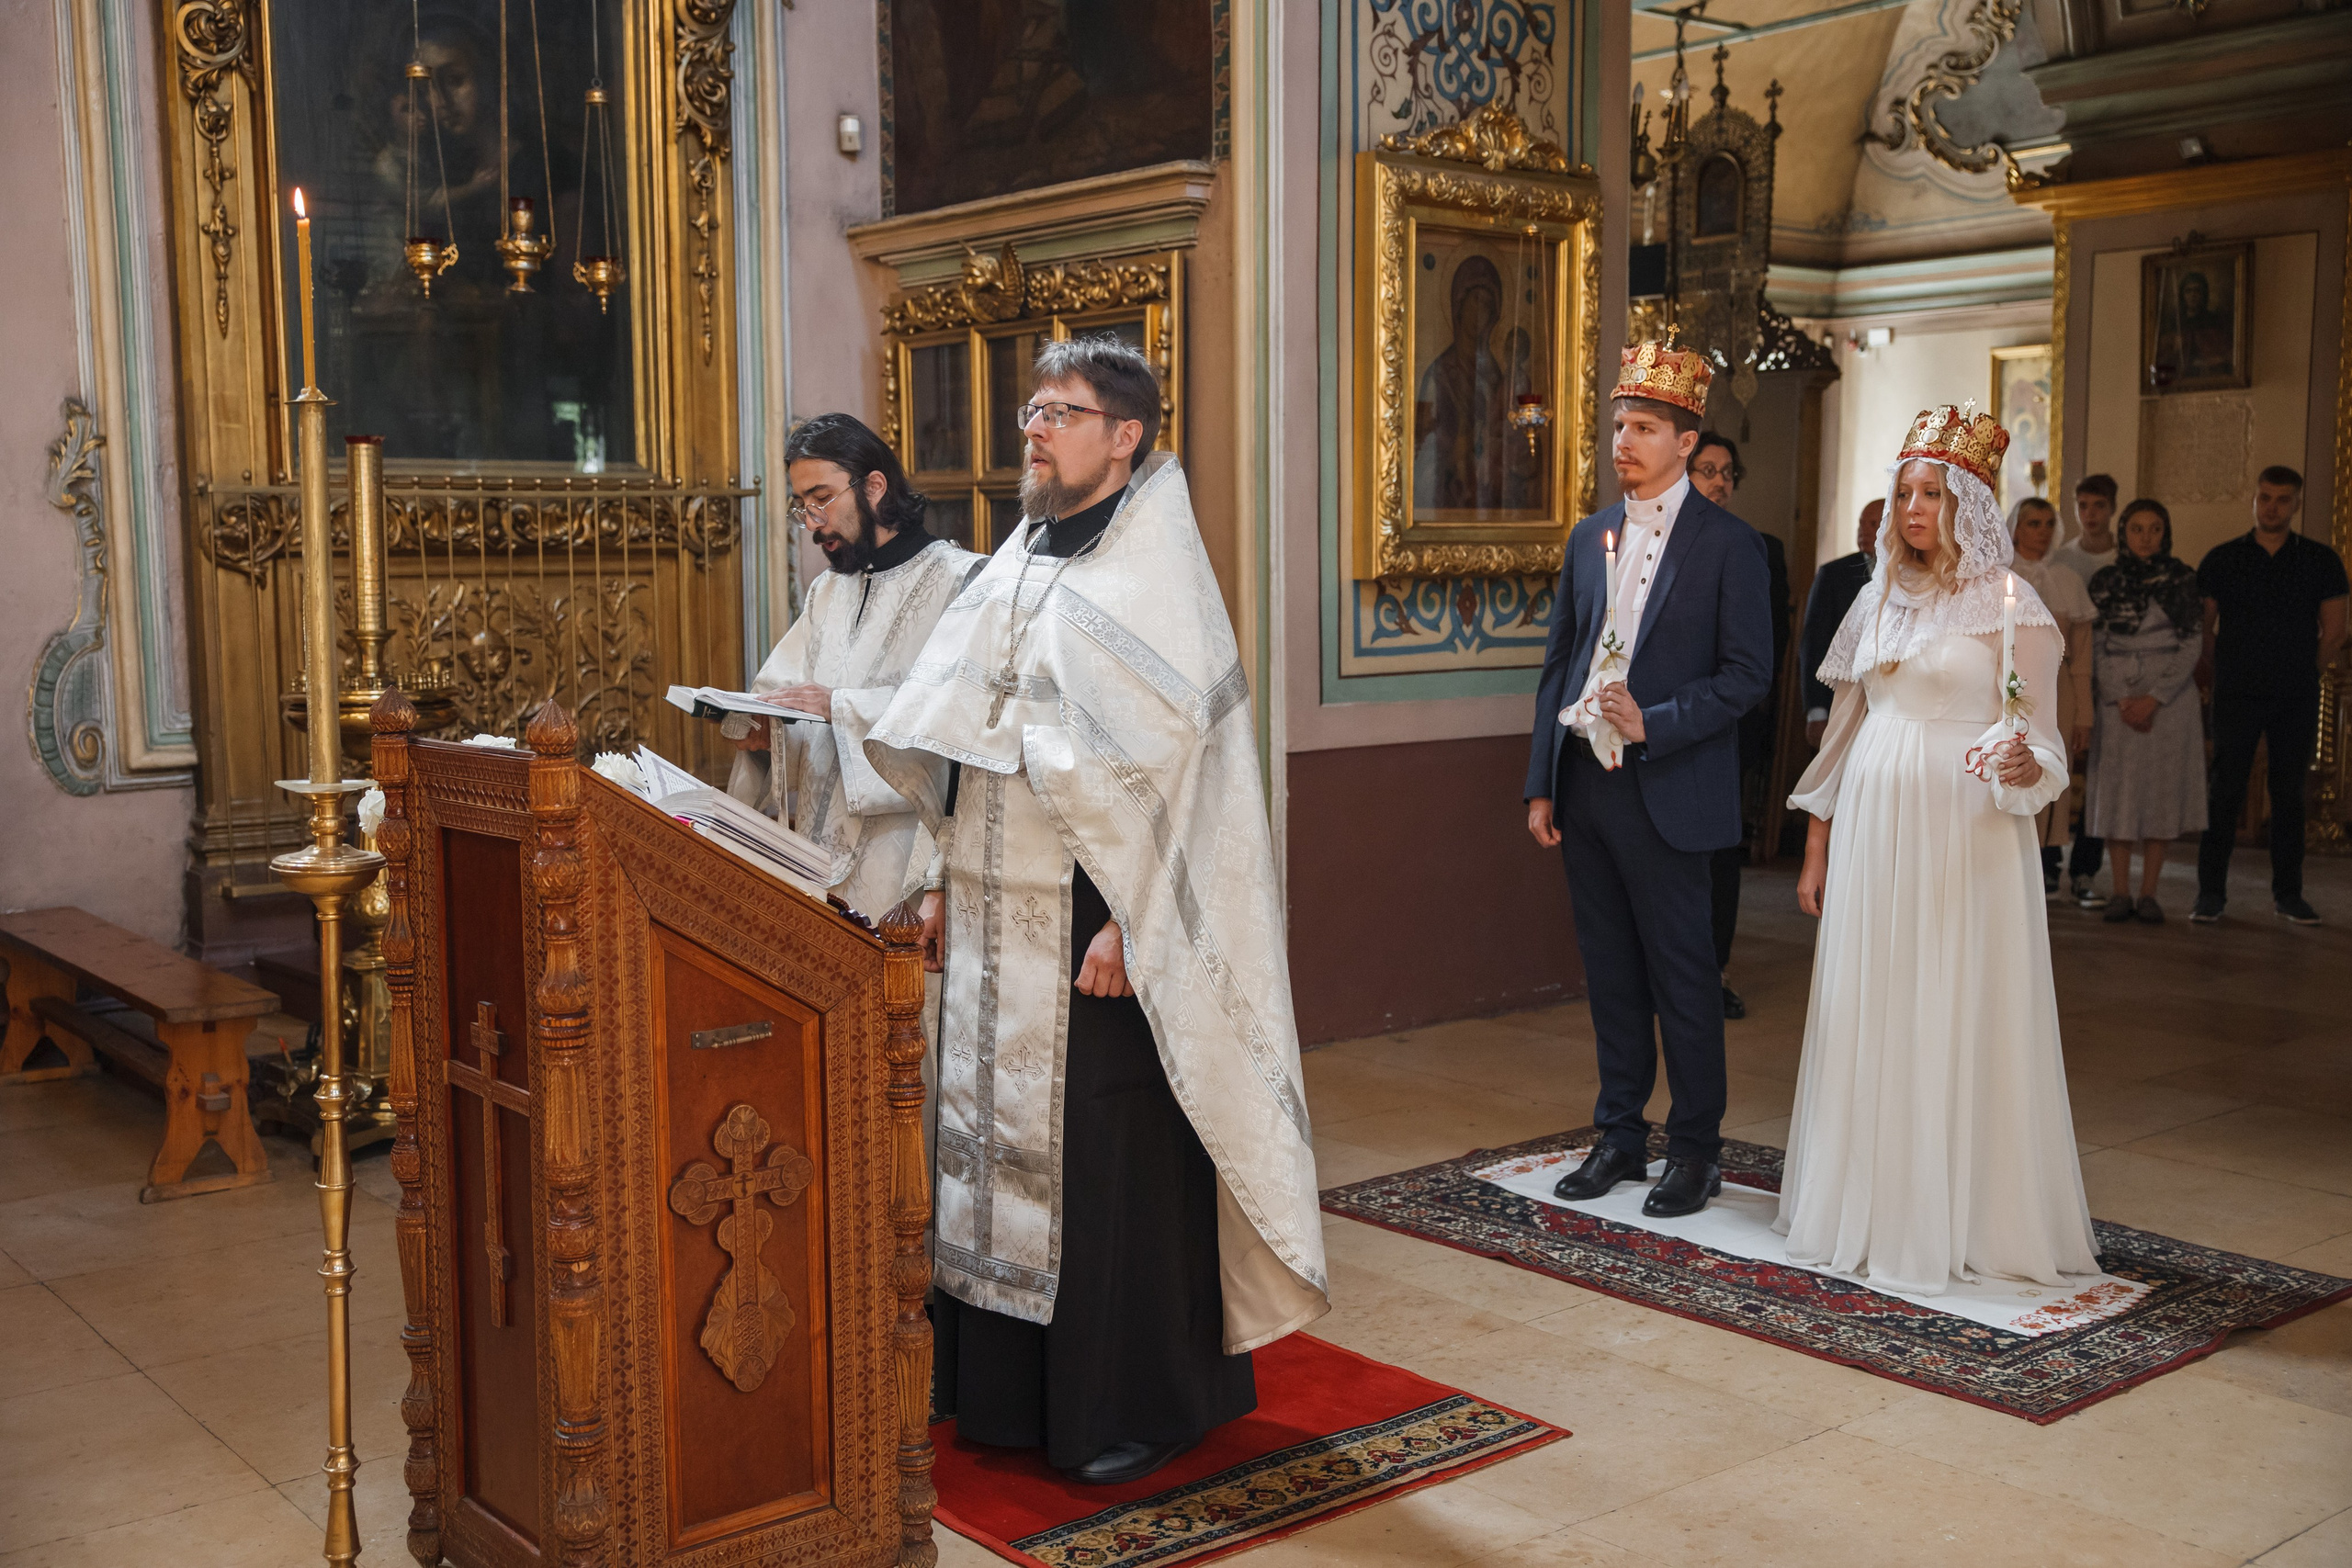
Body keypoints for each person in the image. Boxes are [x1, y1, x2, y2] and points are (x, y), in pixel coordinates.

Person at [865, 336, 1328, 1486]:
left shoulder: (1158, 579)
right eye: (1033, 409)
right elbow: (963, 741)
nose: (1035, 429)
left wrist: (1136, 921)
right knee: (982, 1148)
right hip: (987, 920)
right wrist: (929, 878)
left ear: (1125, 437)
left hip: (1096, 934)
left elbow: (1176, 783)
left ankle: (1124, 1405)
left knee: (1103, 1165)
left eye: (1061, 413)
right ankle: (1003, 1400)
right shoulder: (1020, 558)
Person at [1782, 404, 2097, 1296]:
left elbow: (2043, 746)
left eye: (1931, 493)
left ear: (1967, 503)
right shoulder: (1872, 600)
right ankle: (1869, 1203)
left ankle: (1960, 1211)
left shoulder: (2015, 607)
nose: (1911, 508)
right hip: (1876, 830)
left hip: (1965, 834)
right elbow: (1839, 739)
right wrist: (1816, 848)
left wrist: (2017, 757)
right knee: (1872, 1001)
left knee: (1951, 1000)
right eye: (1903, 492)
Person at [1524, 341, 1773, 1219]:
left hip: (1672, 791)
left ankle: (1696, 1150)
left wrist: (1655, 724)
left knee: (1684, 977)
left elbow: (1749, 675)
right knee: (1611, 971)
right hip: (1588, 788)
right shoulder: (1590, 535)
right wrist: (1542, 782)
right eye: (1619, 426)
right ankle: (1620, 1134)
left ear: (1685, 438)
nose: (1622, 442)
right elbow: (1561, 658)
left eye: (1642, 428)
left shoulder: (1729, 546)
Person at [726, 414, 984, 919]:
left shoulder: (962, 584)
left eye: (822, 499)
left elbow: (965, 725)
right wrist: (764, 732)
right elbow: (786, 700)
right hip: (814, 862)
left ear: (873, 486)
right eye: (802, 507)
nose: (813, 522)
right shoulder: (828, 591)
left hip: (906, 865)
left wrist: (841, 707)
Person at [2193, 466, 2351, 925]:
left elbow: (2335, 630)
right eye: (2265, 497)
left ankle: (2289, 894)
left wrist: (2306, 673)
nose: (2272, 506)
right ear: (2254, 500)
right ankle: (2210, 895)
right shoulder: (2223, 558)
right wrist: (2217, 670)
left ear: (2296, 504)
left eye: (2282, 499)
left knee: (2289, 794)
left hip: (2295, 693)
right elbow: (2204, 626)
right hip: (2236, 689)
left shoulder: (2321, 560)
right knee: (2224, 791)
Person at [1688, 432, 1790, 1019]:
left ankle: (1715, 971)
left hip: (1731, 726)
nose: (1720, 482)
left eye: (1728, 472)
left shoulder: (1759, 548)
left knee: (1723, 858)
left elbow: (1762, 651)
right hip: (1665, 723)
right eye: (1708, 470)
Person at [2085, 499, 2206, 926]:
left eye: (2155, 529)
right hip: (2116, 695)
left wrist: (2155, 696)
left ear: (2165, 533)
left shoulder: (2184, 580)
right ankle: (2119, 891)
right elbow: (2094, 647)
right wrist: (2120, 697)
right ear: (2124, 533)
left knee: (2161, 792)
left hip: (2170, 701)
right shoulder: (2104, 581)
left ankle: (2150, 892)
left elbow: (2193, 643)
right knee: (2119, 791)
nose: (2145, 537)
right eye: (2137, 529)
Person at [2007, 495, 2095, 897]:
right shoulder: (1999, 574)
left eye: (2047, 524)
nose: (2040, 532)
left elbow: (2082, 657)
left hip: (2058, 686)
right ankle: (2010, 859)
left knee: (2049, 766)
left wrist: (2084, 715)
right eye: (2032, 523)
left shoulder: (2067, 579)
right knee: (2010, 762)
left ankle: (2047, 862)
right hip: (2008, 682)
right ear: (2016, 527)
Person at [2053, 472, 2120, 906]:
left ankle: (2086, 870)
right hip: (2073, 673)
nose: (2090, 515)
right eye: (2082, 506)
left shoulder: (2124, 556)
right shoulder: (2062, 560)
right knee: (2059, 769)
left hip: (2114, 675)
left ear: (2112, 508)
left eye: (2098, 506)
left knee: (2101, 776)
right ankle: (2049, 864)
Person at [1801, 501, 1882, 750]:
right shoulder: (1833, 574)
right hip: (1840, 703)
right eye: (1860, 523)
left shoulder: (1911, 574)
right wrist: (1816, 712)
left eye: (1873, 524)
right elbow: (1814, 646)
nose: (1863, 531)